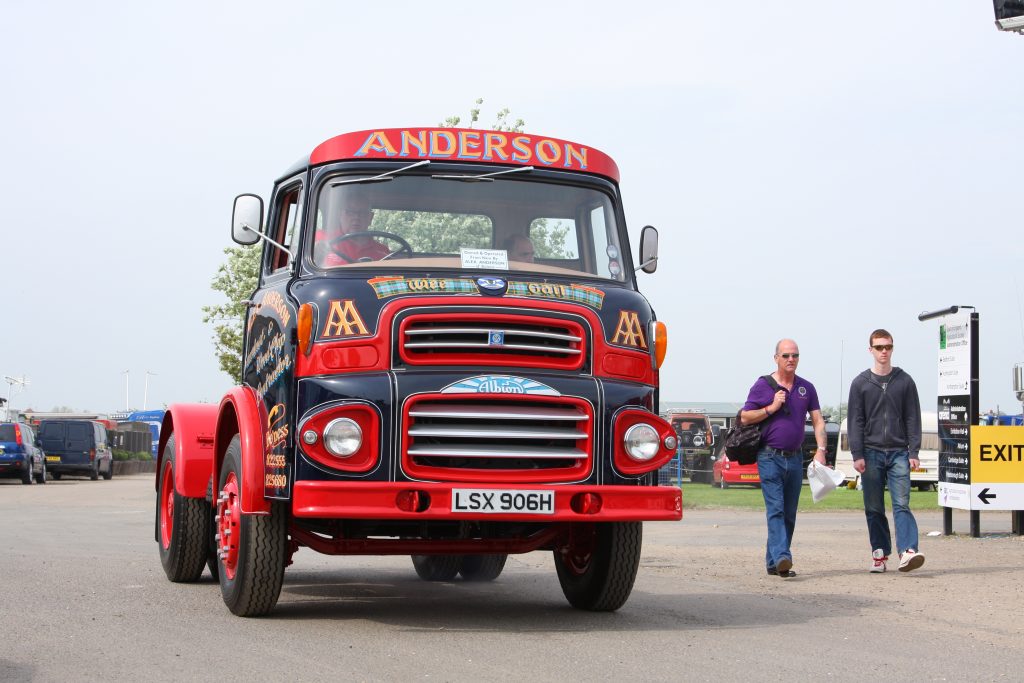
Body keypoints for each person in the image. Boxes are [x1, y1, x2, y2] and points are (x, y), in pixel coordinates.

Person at [741, 339, 828, 578]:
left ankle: (774, 562)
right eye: (786, 355)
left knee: (789, 512)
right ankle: (782, 556)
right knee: (776, 509)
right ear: (776, 358)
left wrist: (821, 449)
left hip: (795, 458)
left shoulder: (806, 388)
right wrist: (771, 407)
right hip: (769, 456)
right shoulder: (763, 385)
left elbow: (818, 420)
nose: (791, 359)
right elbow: (745, 417)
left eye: (795, 355)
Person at [847, 329, 925, 574]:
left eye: (887, 347)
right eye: (879, 347)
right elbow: (855, 421)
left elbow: (913, 417)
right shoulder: (860, 383)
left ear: (892, 348)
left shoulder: (905, 381)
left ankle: (908, 551)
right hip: (870, 453)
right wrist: (857, 454)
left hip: (899, 452)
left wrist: (914, 450)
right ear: (870, 350)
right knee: (874, 507)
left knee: (902, 503)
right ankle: (879, 554)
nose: (884, 351)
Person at [315, 191, 390, 266]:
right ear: (340, 215)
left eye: (362, 212)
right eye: (349, 212)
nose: (356, 217)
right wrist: (315, 251)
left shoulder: (382, 251)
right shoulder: (322, 238)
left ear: (370, 217)